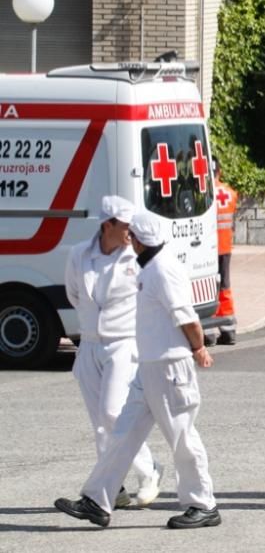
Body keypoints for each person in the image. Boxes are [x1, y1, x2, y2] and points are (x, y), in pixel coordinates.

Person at [55, 211, 219, 529]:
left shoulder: (162, 270)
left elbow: (187, 318)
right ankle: (97, 500)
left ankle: (204, 504)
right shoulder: (149, 267)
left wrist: (198, 348)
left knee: (183, 436)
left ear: (140, 240)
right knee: (122, 433)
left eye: (133, 237)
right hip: (149, 367)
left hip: (170, 367)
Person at [64, 196, 162, 511]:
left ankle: (150, 469)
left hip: (123, 342)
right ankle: (114, 487)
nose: (131, 233)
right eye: (126, 227)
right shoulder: (79, 255)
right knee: (100, 422)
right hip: (90, 342)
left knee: (113, 412)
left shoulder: (135, 258)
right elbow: (75, 294)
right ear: (108, 225)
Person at [212, 158, 237, 345]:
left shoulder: (203, 194)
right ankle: (229, 328)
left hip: (208, 248)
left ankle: (209, 331)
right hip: (225, 246)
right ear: (219, 171)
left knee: (206, 289)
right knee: (225, 287)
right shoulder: (230, 193)